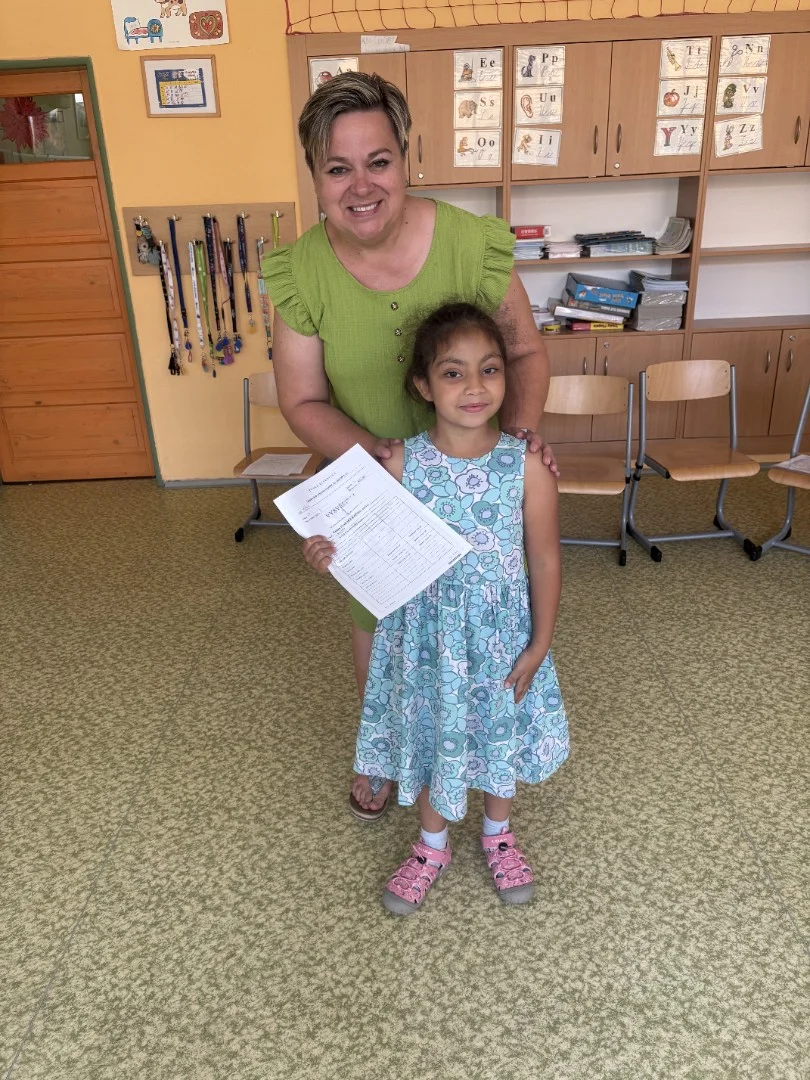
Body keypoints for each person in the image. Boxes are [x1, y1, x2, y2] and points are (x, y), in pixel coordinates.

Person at [263, 71, 557, 823]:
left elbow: (524, 352)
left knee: (480, 625)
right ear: (316, 175)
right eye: (338, 168)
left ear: (405, 158)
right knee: (380, 625)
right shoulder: (300, 272)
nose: (361, 186)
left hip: (476, 474)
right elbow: (302, 400)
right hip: (378, 481)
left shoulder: (471, 244)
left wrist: (519, 441)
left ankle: (473, 751)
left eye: (378, 161)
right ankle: (389, 750)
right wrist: (382, 462)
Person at [303, 303, 569, 914]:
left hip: (501, 638)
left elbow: (546, 561)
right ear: (423, 386)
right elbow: (361, 547)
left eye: (490, 369)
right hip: (424, 639)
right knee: (429, 735)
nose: (475, 387)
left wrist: (540, 644)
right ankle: (431, 845)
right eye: (453, 373)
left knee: (497, 734)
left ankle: (498, 834)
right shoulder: (400, 463)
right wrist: (325, 553)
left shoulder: (527, 466)